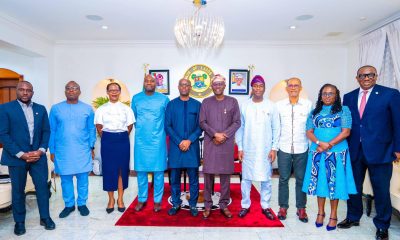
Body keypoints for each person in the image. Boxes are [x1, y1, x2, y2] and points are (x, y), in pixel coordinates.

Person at [339, 65, 400, 240]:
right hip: (354, 151)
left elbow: (398, 122)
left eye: (370, 75)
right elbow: (347, 124)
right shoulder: (349, 97)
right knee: (353, 188)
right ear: (357, 78)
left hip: (381, 151)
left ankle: (382, 226)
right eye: (362, 76)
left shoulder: (390, 94)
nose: (366, 78)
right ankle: (353, 217)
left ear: (376, 76)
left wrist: (398, 148)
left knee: (381, 190)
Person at [0, 81, 55, 236]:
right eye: (22, 90)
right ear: (17, 91)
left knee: (42, 188)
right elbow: (3, 134)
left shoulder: (40, 109)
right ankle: (19, 222)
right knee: (18, 190)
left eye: (28, 90)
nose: (25, 93)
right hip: (16, 158)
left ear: (32, 92)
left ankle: (45, 218)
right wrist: (20, 154)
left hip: (38, 156)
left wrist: (41, 150)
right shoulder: (5, 108)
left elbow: (46, 131)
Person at [302, 83, 356, 231]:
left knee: (334, 184)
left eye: (331, 93)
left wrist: (329, 145)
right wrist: (320, 143)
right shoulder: (314, 112)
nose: (327, 96)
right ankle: (320, 212)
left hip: (337, 153)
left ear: (336, 95)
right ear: (320, 96)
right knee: (320, 183)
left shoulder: (344, 110)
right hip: (317, 152)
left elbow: (346, 132)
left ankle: (333, 215)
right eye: (324, 93)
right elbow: (309, 131)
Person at [49, 81, 96, 218]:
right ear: (65, 91)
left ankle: (82, 203)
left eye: (74, 88)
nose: (71, 91)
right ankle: (69, 205)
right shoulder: (56, 109)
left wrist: (91, 146)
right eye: (68, 88)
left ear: (79, 91)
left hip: (82, 149)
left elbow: (91, 129)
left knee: (83, 178)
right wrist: (52, 150)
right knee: (65, 179)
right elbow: (51, 130)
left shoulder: (87, 109)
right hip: (62, 150)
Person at [236, 75, 280, 220]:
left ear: (264, 88)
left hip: (265, 149)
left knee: (266, 179)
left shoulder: (271, 106)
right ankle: (245, 205)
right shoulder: (244, 105)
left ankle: (265, 206)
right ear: (252, 87)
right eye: (255, 85)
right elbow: (240, 128)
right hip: (248, 149)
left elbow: (276, 128)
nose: (258, 88)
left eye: (261, 85)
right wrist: (240, 148)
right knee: (246, 179)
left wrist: (274, 148)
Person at [199, 74, 241, 219]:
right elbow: (202, 122)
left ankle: (223, 205)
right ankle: (208, 205)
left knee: (225, 176)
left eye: (220, 84)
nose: (217, 86)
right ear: (212, 86)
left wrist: (223, 135)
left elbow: (237, 122)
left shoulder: (233, 102)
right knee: (208, 175)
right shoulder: (206, 102)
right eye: (215, 84)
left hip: (226, 143)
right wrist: (214, 134)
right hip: (211, 143)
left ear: (224, 85)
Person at [275, 77, 312, 222]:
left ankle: (301, 208)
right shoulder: (278, 105)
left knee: (301, 179)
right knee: (283, 179)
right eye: (290, 85)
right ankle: (283, 207)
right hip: (283, 147)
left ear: (300, 88)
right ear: (287, 88)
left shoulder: (308, 105)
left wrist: (311, 147)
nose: (293, 88)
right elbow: (276, 127)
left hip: (302, 148)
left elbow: (311, 128)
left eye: (296, 85)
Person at [131, 74, 169, 213]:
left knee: (158, 171)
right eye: (146, 80)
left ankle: (157, 201)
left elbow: (167, 119)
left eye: (152, 81)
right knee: (141, 171)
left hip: (158, 140)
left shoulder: (164, 99)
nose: (149, 83)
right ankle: (142, 199)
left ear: (156, 83)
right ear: (143, 83)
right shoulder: (136, 98)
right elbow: (133, 118)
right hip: (141, 140)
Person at [94, 82, 134, 213]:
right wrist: (108, 137)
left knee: (122, 170)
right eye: (111, 90)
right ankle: (111, 199)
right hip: (108, 141)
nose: (114, 92)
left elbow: (129, 126)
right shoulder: (101, 109)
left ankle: (120, 199)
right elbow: (99, 126)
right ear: (107, 92)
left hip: (122, 140)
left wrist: (120, 136)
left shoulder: (126, 109)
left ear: (119, 92)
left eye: (116, 90)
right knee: (109, 170)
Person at [165, 78, 202, 217]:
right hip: (176, 147)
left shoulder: (197, 105)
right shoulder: (171, 105)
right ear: (178, 87)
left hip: (192, 148)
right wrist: (180, 141)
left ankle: (193, 204)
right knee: (174, 178)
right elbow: (167, 126)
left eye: (187, 85)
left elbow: (200, 126)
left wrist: (189, 140)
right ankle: (176, 203)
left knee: (193, 178)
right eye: (182, 84)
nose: (184, 87)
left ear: (190, 87)